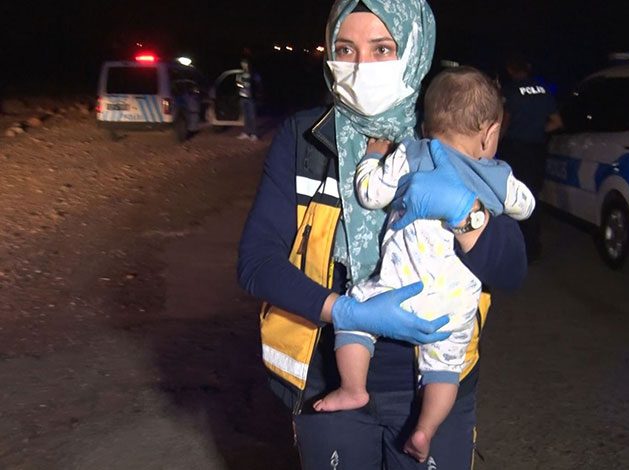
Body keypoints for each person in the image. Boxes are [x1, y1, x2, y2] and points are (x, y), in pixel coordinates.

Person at [237, 1, 527, 468]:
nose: (360, 66)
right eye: (345, 49)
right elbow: (256, 263)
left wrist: (467, 214)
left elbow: (511, 270)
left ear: (414, 48)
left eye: (382, 49)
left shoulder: (450, 131)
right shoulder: (304, 138)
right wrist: (344, 310)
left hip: (433, 382)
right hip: (331, 374)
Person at [313, 66, 535, 463]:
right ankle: (425, 430)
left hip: (400, 286)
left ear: (425, 125)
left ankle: (353, 388)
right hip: (455, 304)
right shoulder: (498, 175)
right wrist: (493, 196)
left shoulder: (411, 153)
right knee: (445, 368)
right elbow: (526, 205)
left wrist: (373, 156)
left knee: (355, 311)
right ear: (490, 134)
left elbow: (369, 193)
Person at [500, 53, 563, 262]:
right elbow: (557, 122)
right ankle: (533, 246)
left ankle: (515, 246)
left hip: (515, 149)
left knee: (512, 196)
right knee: (533, 195)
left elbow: (506, 121)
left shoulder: (511, 90)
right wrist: (537, 130)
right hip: (537, 149)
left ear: (510, 69)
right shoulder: (543, 89)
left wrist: (497, 141)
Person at [236, 57, 259, 141]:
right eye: (242, 64)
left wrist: (255, 92)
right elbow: (238, 84)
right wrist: (241, 85)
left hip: (251, 98)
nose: (244, 65)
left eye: (245, 63)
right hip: (243, 98)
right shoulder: (240, 74)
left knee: (252, 116)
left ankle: (254, 134)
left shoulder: (253, 74)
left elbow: (258, 84)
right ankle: (246, 133)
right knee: (245, 117)